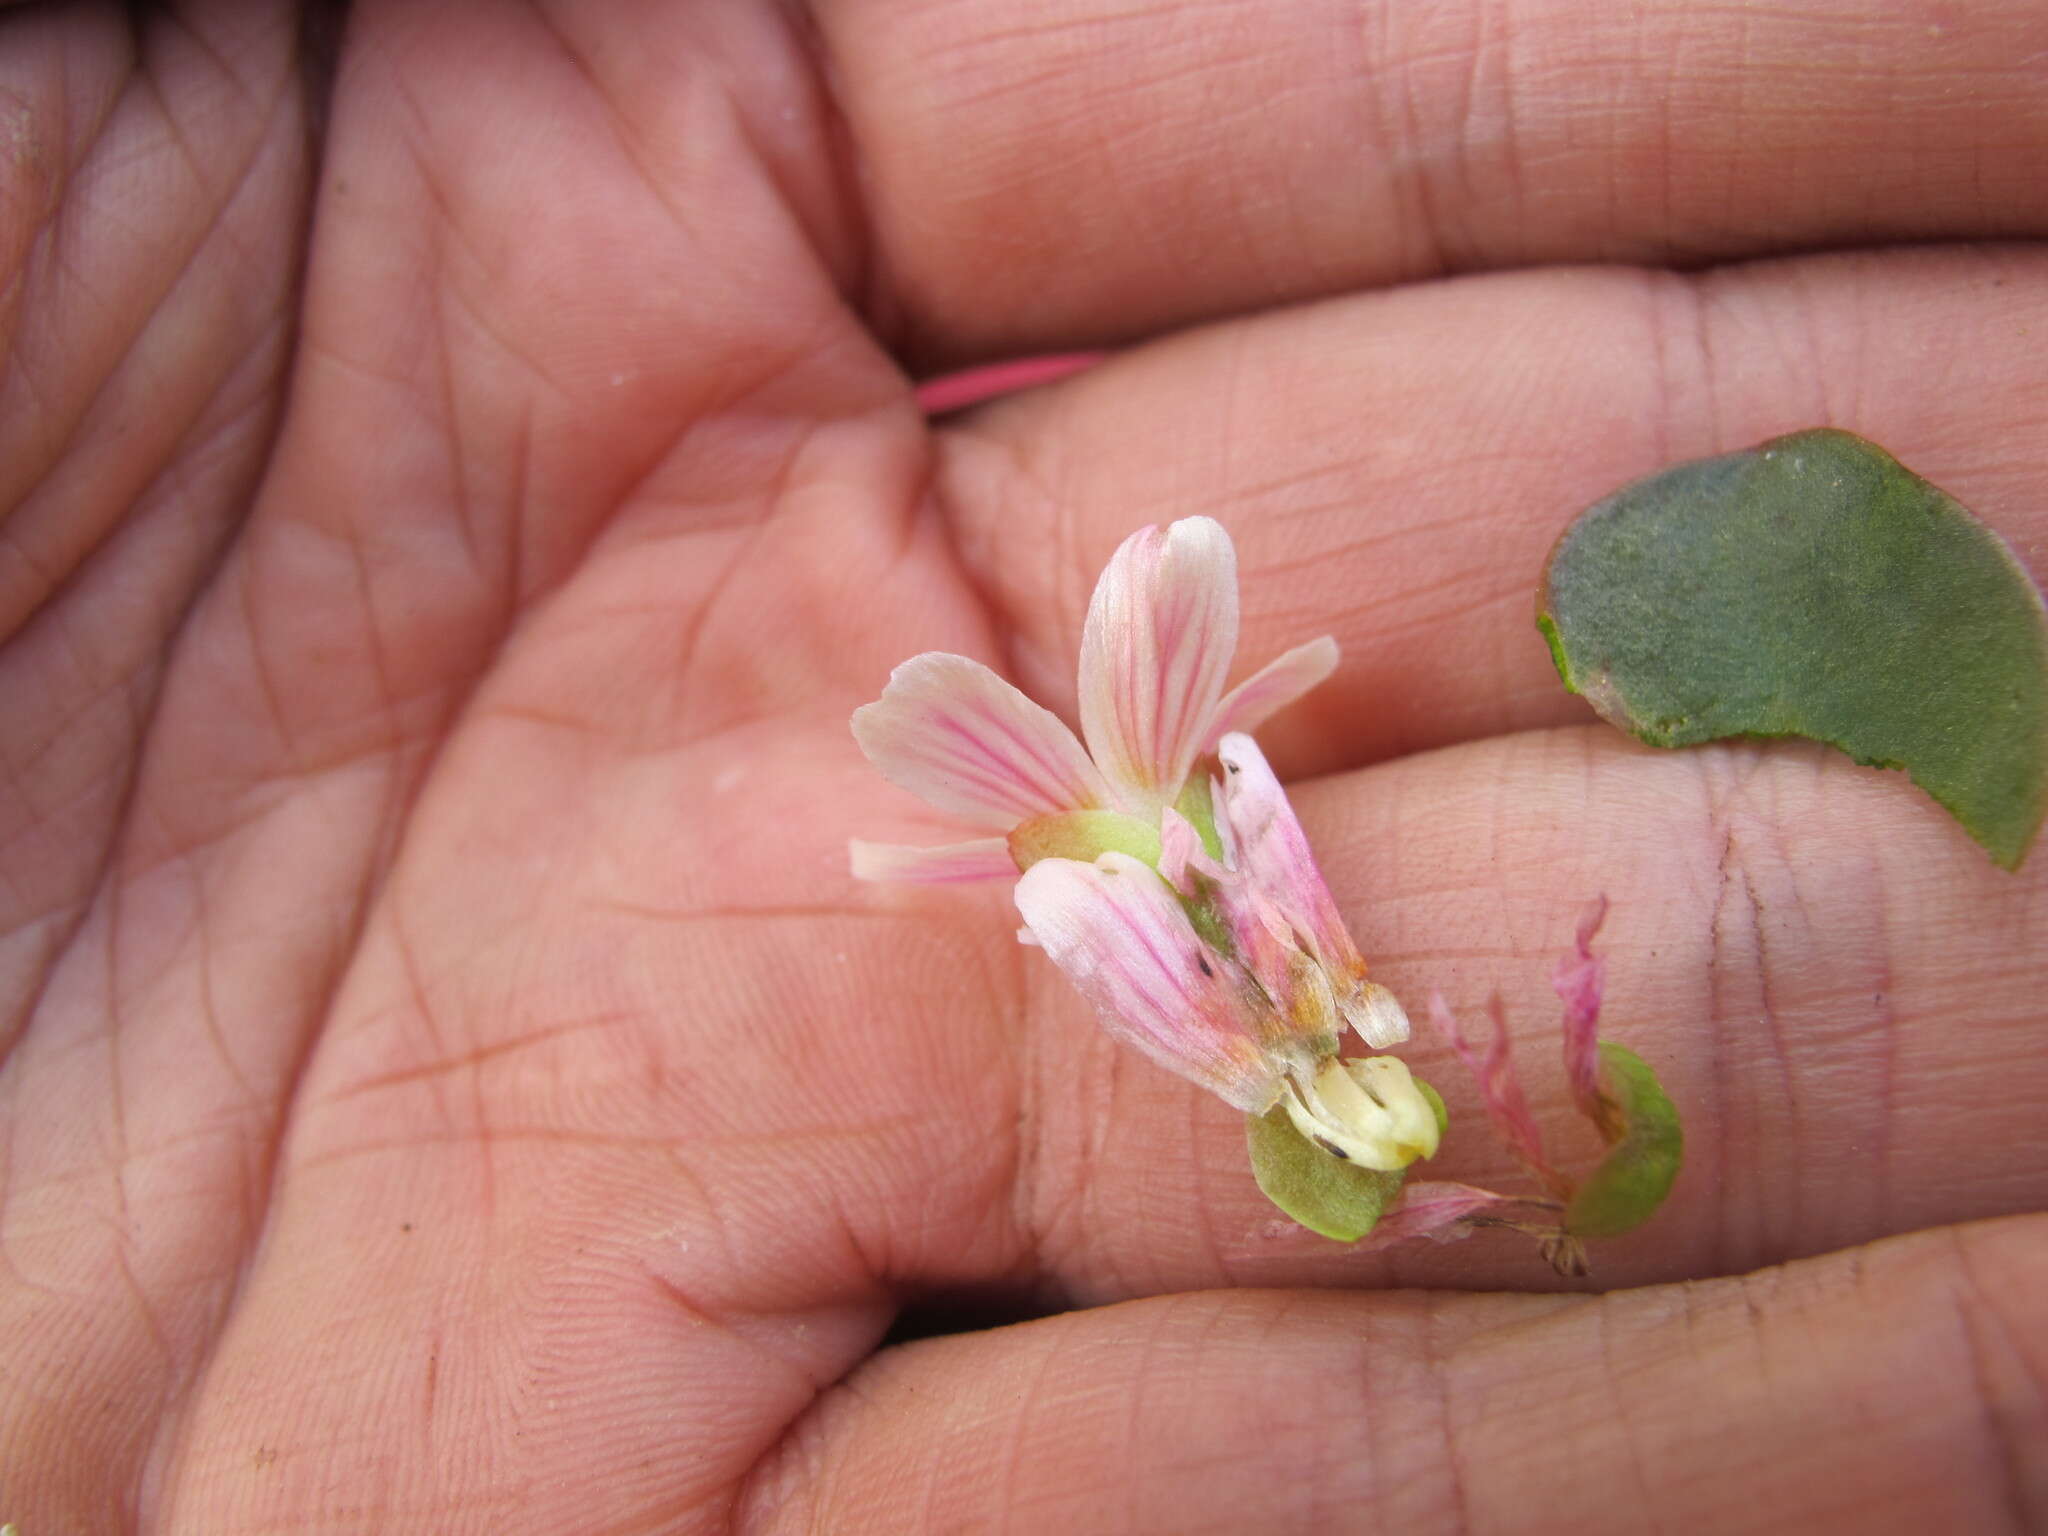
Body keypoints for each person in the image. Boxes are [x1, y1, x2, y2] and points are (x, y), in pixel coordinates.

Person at [1, 3, 2042, 1531]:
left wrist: (1283, 955)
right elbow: (1107, 864)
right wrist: (1270, 1013)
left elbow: (1191, 817)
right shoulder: (1097, 853)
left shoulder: (1183, 807)